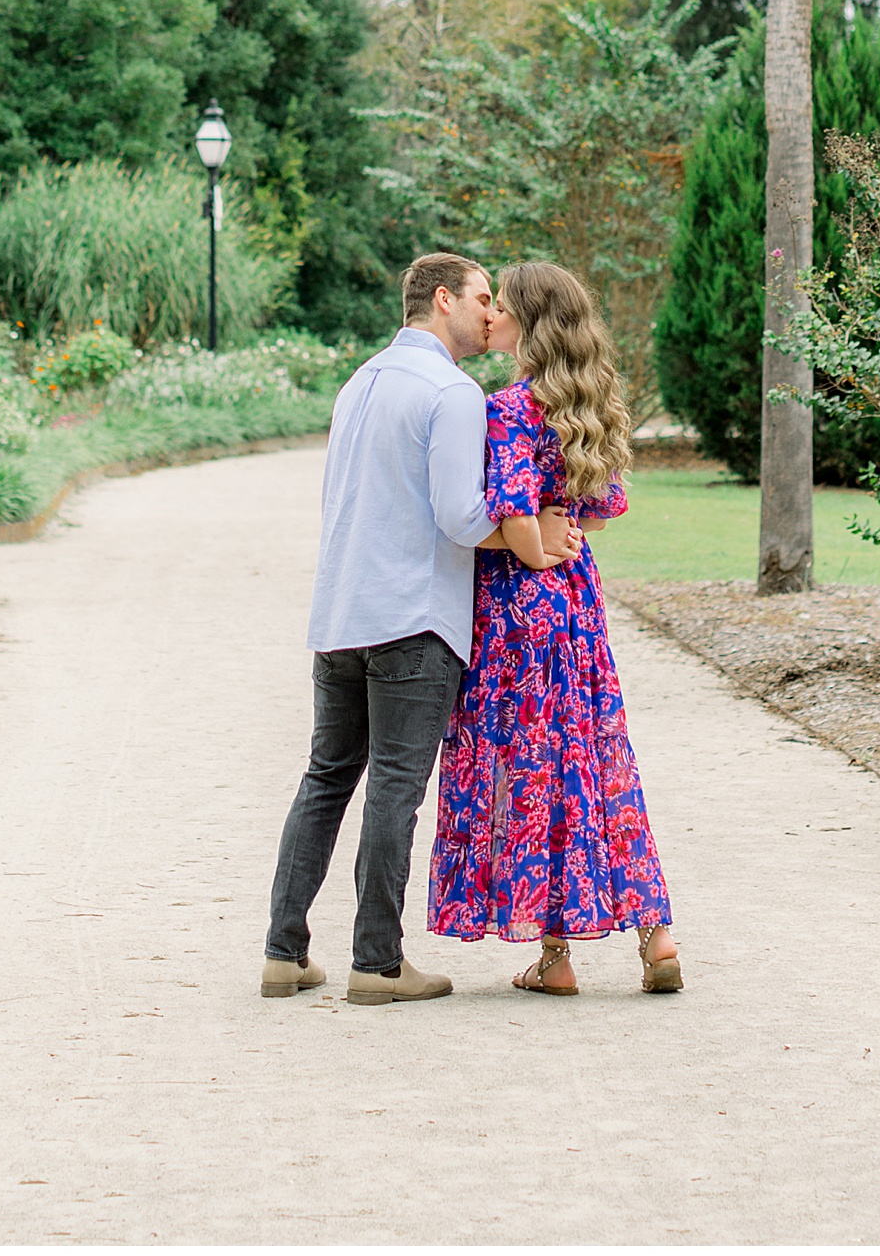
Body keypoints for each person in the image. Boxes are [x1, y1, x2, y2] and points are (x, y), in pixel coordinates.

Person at [261, 251, 582, 1007]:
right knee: (396, 790)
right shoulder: (453, 391)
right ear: (443, 299)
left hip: (339, 613)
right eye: (479, 297)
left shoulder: (359, 382)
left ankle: (284, 952)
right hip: (415, 621)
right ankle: (376, 963)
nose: (489, 312)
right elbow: (462, 518)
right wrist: (535, 534)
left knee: (326, 779)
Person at [428, 260, 682, 995]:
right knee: (599, 758)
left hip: (518, 610)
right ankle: (655, 934)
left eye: (500, 308)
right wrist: (562, 526)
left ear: (528, 326)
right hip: (579, 608)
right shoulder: (589, 402)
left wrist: (538, 541)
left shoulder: (508, 407)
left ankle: (555, 954)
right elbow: (605, 508)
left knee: (532, 771)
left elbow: (514, 522)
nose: (490, 318)